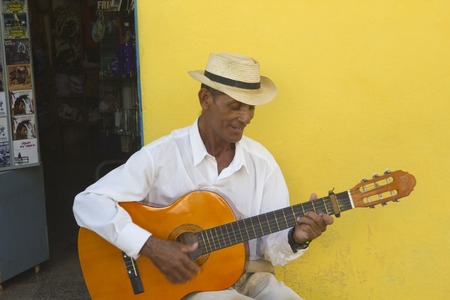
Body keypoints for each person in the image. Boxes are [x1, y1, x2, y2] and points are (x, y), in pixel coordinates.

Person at [73, 52, 334, 299]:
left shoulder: (262, 163)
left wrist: (296, 238)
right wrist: (149, 245)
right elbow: (87, 202)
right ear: (205, 99)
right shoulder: (162, 155)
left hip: (251, 277)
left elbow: (272, 249)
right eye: (236, 107)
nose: (246, 118)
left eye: (251, 108)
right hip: (186, 286)